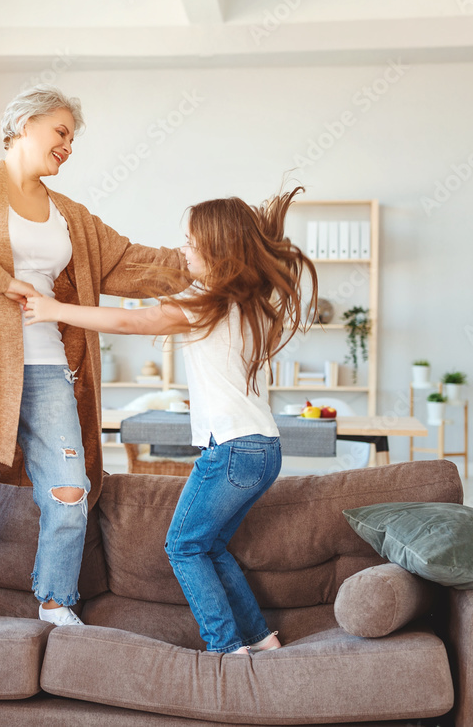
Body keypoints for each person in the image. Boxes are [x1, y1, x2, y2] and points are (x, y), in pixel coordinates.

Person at [0, 85, 187, 630]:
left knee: (70, 493)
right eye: (61, 132)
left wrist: (195, 260)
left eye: (72, 138)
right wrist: (1, 280)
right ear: (24, 125)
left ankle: (55, 600)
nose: (68, 146)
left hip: (51, 367)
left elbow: (128, 261)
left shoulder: (69, 215)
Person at [24, 191, 317, 654]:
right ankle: (261, 639)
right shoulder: (249, 304)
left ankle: (226, 647)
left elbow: (128, 322)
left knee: (183, 547)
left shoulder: (206, 305)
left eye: (189, 242)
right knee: (209, 546)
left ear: (217, 250)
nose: (182, 250)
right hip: (263, 448)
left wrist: (52, 310)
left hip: (233, 450)